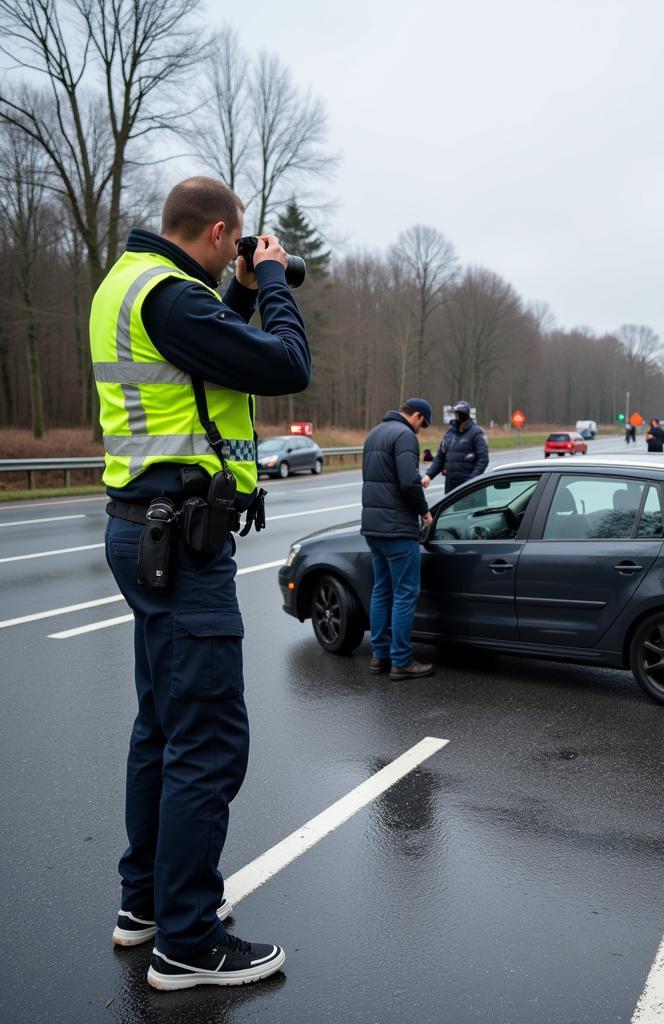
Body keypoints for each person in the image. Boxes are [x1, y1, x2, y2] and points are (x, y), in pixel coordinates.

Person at [94, 176, 310, 988]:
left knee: (161, 727)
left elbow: (208, 362)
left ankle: (144, 904)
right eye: (241, 243)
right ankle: (187, 941)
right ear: (220, 232)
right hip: (182, 542)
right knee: (209, 739)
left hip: (143, 528)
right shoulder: (174, 300)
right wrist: (278, 284)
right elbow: (284, 364)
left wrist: (246, 291)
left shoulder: (132, 284)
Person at [362, 399, 436, 680]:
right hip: (397, 528)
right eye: (423, 423)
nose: (421, 429)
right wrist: (424, 512)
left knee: (382, 590)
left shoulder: (374, 433)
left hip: (373, 527)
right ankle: (402, 661)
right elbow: (408, 481)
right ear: (416, 416)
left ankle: (379, 656)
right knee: (405, 594)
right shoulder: (404, 435)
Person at [421, 399, 489, 493]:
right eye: (457, 413)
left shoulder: (476, 432)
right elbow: (440, 458)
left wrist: (470, 482)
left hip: (471, 488)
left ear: (467, 414)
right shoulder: (450, 433)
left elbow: (483, 460)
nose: (459, 415)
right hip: (451, 487)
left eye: (462, 413)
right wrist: (428, 475)